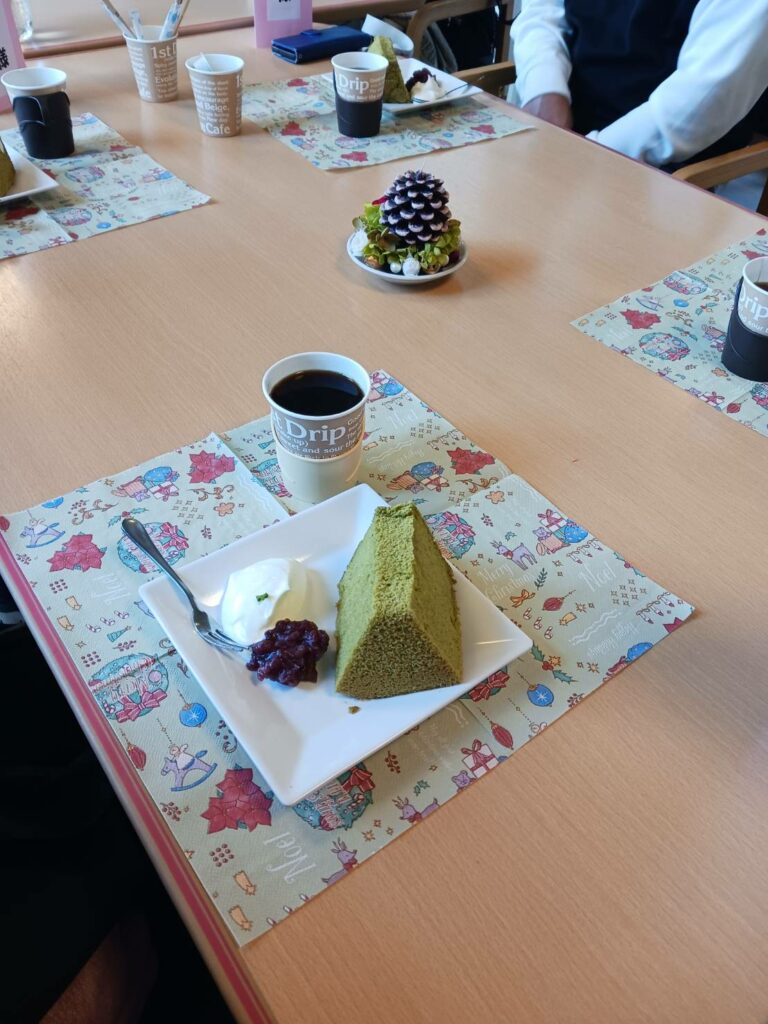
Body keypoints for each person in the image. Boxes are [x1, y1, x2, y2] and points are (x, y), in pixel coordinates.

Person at [510, 0, 768, 168]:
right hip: (558, 124)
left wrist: (584, 157)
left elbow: (704, 97)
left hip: (662, 166)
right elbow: (542, 13)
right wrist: (544, 89)